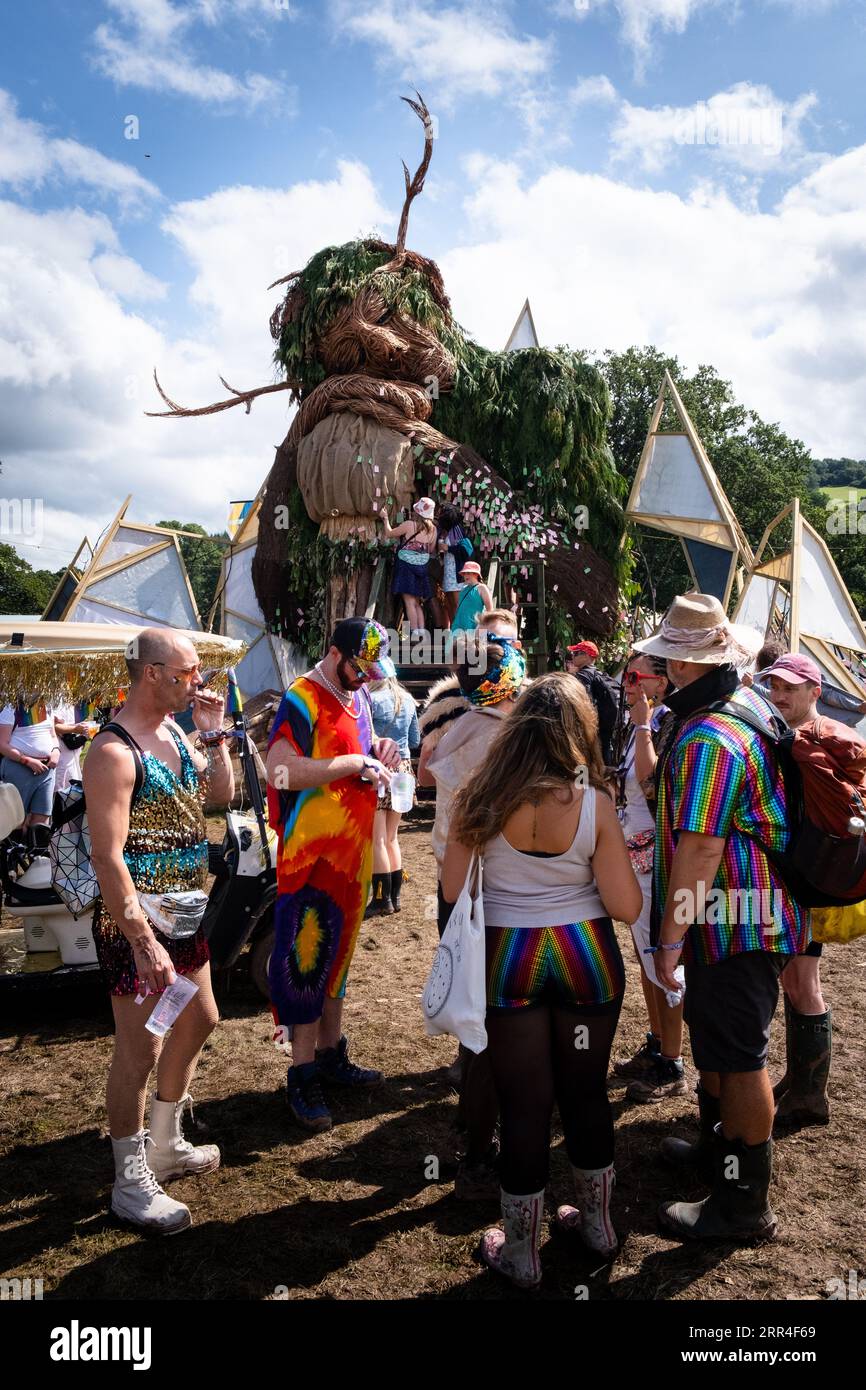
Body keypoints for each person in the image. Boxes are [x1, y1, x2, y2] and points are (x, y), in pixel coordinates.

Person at [443, 674, 642, 1288]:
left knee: (523, 1103)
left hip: (510, 958)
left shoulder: (481, 795)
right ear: (580, 730)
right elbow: (627, 907)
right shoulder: (595, 803)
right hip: (584, 956)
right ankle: (600, 1227)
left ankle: (521, 1253)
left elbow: (453, 892)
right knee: (585, 1092)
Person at [634, 592, 808, 1243]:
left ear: (682, 665)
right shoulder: (739, 711)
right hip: (738, 917)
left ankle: (741, 1204)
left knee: (738, 1059)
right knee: (718, 1045)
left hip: (736, 919)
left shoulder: (711, 736)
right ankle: (718, 1156)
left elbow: (703, 846)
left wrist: (671, 938)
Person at [85, 628, 234, 1235]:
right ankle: (128, 1181)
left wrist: (216, 737)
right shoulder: (113, 752)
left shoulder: (176, 732)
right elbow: (107, 856)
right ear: (151, 673)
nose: (197, 681)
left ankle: (166, 1144)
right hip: (136, 925)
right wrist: (142, 939)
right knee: (140, 1047)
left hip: (185, 914)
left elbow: (218, 799)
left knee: (200, 1018)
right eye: (188, 673)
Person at [265, 617, 402, 1133]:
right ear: (334, 652)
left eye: (372, 671)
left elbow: (359, 757)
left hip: (353, 852)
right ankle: (300, 1075)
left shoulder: (359, 697)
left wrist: (378, 755)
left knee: (339, 953)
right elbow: (280, 771)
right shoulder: (302, 697)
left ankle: (330, 1054)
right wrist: (348, 763)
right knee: (306, 956)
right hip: (311, 856)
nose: (366, 678)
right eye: (359, 667)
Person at [421, 617, 525, 1200]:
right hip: (502, 894)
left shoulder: (452, 731)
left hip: (456, 889)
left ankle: (474, 1121)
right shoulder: (515, 740)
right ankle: (489, 1140)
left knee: (473, 1001)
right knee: (503, 1014)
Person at [761, 652, 839, 1127]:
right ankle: (799, 1079)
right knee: (795, 979)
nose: (780, 695)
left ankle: (811, 1095)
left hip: (807, 879)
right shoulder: (797, 738)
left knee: (803, 982)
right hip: (802, 876)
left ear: (815, 692)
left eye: (791, 688)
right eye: (776, 687)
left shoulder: (809, 742)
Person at [611, 653, 687, 1103]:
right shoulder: (639, 721)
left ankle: (673, 1062)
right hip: (635, 854)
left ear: (661, 681)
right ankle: (658, 1042)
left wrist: (642, 727)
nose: (628, 682)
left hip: (656, 859)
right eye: (626, 674)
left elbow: (651, 785)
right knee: (645, 956)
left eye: (637, 676)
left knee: (663, 958)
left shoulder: (666, 723)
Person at [365, 675, 420, 916]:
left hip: (380, 770)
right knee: (392, 837)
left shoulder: (370, 700)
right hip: (404, 769)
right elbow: (415, 740)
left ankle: (380, 899)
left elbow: (363, 736)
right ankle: (395, 898)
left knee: (377, 838)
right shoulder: (408, 699)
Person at [0, 699, 61, 852]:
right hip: (19, 768)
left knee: (42, 817)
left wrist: (56, 750)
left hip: (47, 770)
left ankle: (37, 862)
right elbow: (2, 744)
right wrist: (27, 761)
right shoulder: (11, 707)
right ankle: (12, 865)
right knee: (15, 820)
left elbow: (52, 735)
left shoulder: (47, 704)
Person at [377, 497, 438, 636]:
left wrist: (385, 518)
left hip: (406, 567)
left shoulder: (410, 525)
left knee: (409, 601)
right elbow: (431, 549)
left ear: (417, 511)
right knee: (417, 602)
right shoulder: (434, 530)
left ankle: (415, 631)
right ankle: (421, 630)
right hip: (421, 568)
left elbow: (389, 533)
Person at [564, 641, 619, 767]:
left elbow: (582, 702)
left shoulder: (584, 675)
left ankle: (583, 783)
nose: (572, 656)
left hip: (593, 731)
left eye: (576, 653)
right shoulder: (599, 673)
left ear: (587, 656)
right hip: (607, 729)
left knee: (585, 766)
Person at [434, 503, 469, 626]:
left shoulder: (457, 530)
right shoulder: (444, 531)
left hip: (456, 574)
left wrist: (448, 548)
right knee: (449, 604)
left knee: (457, 604)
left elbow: (466, 550)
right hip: (448, 573)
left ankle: (462, 633)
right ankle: (454, 633)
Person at [450, 562, 493, 636]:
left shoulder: (482, 588)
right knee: (453, 647)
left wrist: (486, 626)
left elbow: (490, 609)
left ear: (476, 574)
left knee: (474, 647)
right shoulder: (463, 590)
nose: (465, 576)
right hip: (458, 625)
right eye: (464, 573)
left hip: (474, 626)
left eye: (468, 573)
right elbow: (458, 608)